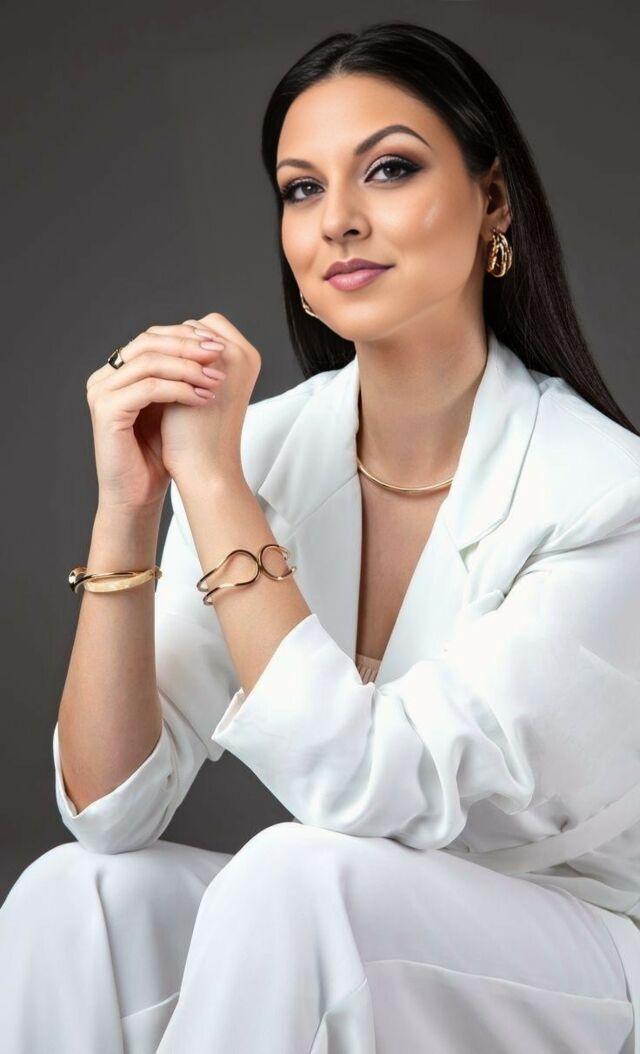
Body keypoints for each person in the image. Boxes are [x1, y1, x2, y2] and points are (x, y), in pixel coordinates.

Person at [1, 18, 639, 1054]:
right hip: (353, 922)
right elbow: (108, 809)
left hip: (584, 959)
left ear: (492, 200)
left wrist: (215, 484)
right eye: (302, 188)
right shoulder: (268, 447)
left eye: (388, 169)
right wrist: (128, 506)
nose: (337, 219)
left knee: (297, 874)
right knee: (78, 894)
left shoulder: (606, 493)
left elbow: (364, 788)